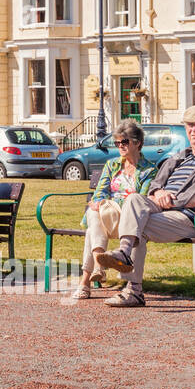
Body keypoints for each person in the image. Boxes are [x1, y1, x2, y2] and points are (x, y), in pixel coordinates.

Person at [96, 104, 195, 308]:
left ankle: (133, 289)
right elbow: (157, 185)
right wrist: (159, 193)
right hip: (165, 209)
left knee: (138, 226)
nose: (193, 130)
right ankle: (125, 252)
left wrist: (171, 200)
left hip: (192, 218)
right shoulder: (181, 157)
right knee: (135, 199)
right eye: (190, 125)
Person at [68, 120, 157, 300]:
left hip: (130, 222)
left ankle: (87, 280)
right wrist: (100, 202)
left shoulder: (149, 170)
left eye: (124, 142)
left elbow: (141, 200)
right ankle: (99, 263)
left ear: (137, 143)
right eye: (117, 143)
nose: (120, 146)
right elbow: (100, 191)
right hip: (107, 217)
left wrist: (108, 204)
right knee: (93, 213)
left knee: (93, 220)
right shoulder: (112, 165)